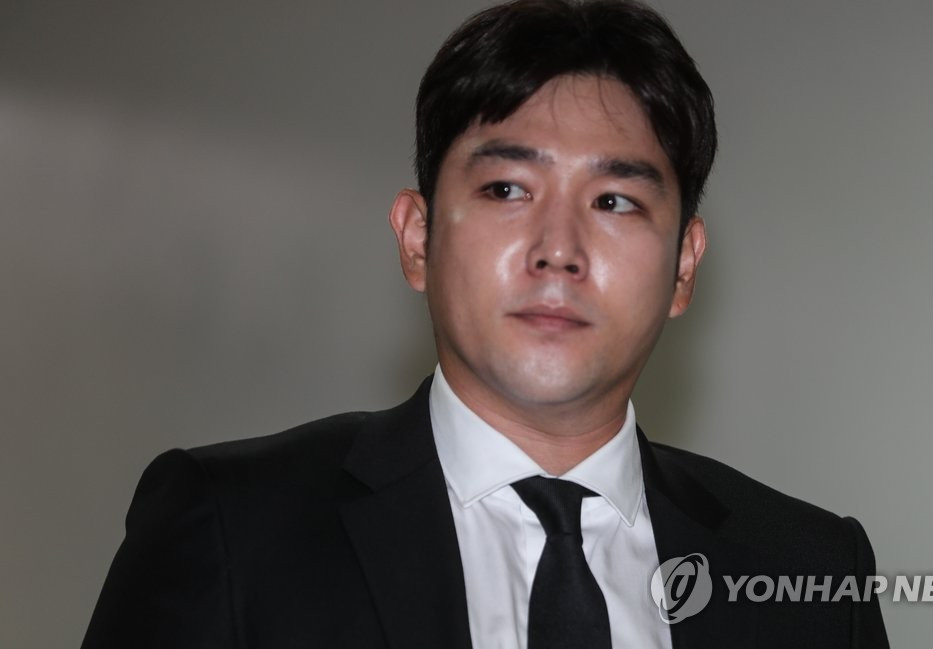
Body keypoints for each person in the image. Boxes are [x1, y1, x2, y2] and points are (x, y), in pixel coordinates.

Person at [82, 1, 889, 647]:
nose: (558, 249)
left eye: (615, 201)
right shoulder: (232, 527)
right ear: (418, 238)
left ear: (683, 266)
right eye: (507, 190)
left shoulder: (813, 570)